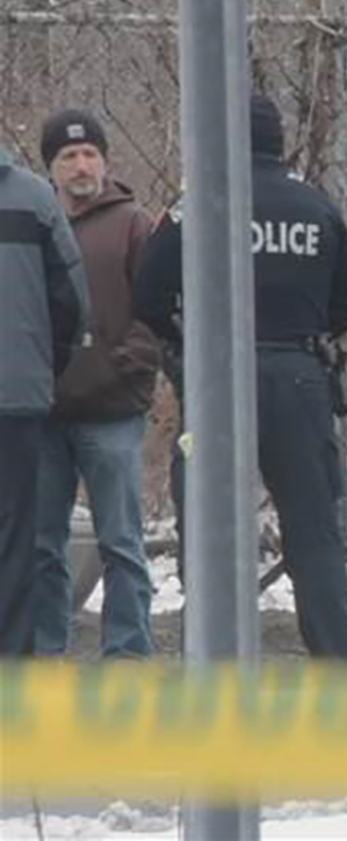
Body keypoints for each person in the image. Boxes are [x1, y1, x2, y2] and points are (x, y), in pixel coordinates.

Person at [135, 93, 347, 658]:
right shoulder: (316, 207)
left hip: (218, 379)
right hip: (298, 379)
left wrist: (187, 347)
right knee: (314, 532)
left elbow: (148, 294)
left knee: (210, 534)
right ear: (278, 141)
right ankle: (341, 667)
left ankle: (213, 662)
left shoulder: (197, 207)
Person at [30, 110, 160, 658]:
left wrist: (121, 362)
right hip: (45, 412)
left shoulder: (135, 224)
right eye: (68, 157)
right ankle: (43, 652)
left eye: (89, 155)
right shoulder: (33, 223)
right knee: (41, 543)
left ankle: (128, 652)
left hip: (113, 412)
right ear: (51, 168)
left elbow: (158, 309)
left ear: (105, 161)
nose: (81, 165)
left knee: (121, 541)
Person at [0, 142, 90, 657]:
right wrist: (44, 363)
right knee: (15, 536)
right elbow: (72, 303)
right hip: (18, 398)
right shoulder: (36, 199)